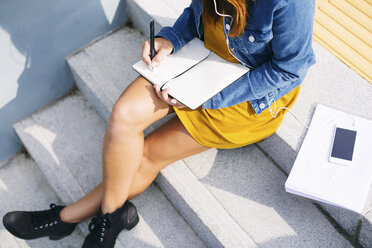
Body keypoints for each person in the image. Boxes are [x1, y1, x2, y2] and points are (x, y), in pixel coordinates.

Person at [2, 0, 316, 247]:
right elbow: (197, 15)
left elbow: (290, 69)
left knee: (148, 153)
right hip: (199, 61)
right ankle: (112, 215)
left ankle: (69, 217)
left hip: (245, 95)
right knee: (123, 115)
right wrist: (169, 39)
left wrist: (206, 97)